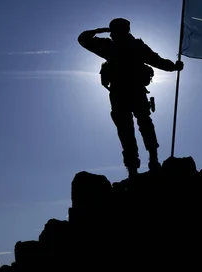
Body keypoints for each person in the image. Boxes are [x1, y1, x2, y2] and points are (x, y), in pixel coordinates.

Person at [78, 18, 183, 178]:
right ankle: (137, 166)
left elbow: (157, 61)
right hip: (124, 93)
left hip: (130, 92)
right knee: (131, 129)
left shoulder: (123, 46)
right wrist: (173, 67)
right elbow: (83, 39)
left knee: (138, 127)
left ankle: (148, 163)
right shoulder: (114, 46)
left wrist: (173, 67)